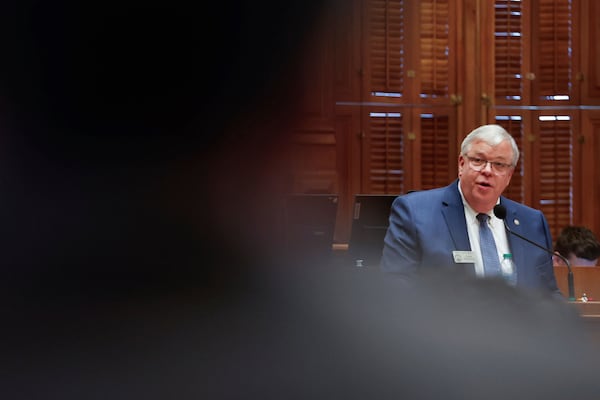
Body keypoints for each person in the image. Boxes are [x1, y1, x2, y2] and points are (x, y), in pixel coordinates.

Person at [381, 124, 560, 296]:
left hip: (518, 326)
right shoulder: (415, 213)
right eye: (478, 160)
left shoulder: (532, 222)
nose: (487, 171)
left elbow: (548, 295)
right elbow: (397, 287)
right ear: (461, 164)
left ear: (509, 176)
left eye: (499, 164)